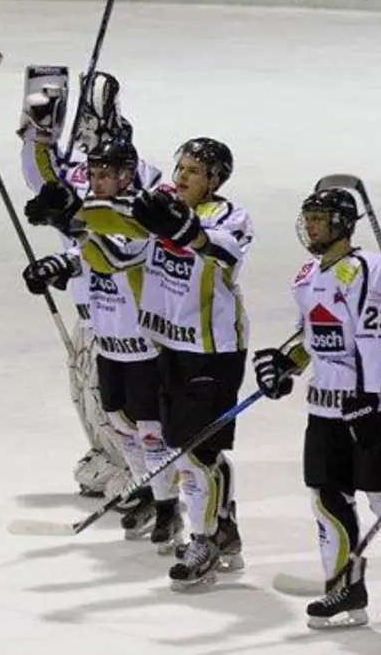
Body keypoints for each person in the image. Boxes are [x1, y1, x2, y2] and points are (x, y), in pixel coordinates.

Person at [253, 185, 381, 629]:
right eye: (309, 216)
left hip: (377, 405)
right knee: (327, 496)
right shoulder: (306, 275)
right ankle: (346, 590)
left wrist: (368, 397)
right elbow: (310, 336)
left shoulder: (368, 269)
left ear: (342, 224)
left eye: (320, 217)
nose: (311, 224)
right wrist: (286, 364)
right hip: (325, 409)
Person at [109, 137, 252, 590]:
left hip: (213, 349)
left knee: (197, 450)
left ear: (216, 179)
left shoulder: (230, 216)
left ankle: (206, 540)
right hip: (169, 346)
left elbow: (222, 251)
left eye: (194, 170)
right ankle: (224, 529)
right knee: (183, 444)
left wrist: (181, 227)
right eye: (181, 167)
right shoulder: (160, 205)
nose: (183, 176)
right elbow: (119, 245)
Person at [25, 137, 179, 550]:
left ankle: (169, 507)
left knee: (150, 431)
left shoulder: (140, 215)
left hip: (143, 343)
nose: (97, 181)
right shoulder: (96, 213)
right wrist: (55, 265)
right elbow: (84, 255)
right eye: (92, 174)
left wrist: (67, 222)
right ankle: (148, 490)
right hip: (109, 341)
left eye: (106, 174)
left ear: (128, 175)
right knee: (118, 424)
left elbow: (113, 256)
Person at [20, 71, 160, 500]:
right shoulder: (81, 174)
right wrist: (39, 116)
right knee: (85, 392)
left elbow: (115, 231)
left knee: (117, 399)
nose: (82, 135)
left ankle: (139, 474)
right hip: (90, 308)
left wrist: (68, 214)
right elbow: (38, 169)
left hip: (127, 313)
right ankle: (109, 456)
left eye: (90, 123)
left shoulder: (141, 178)